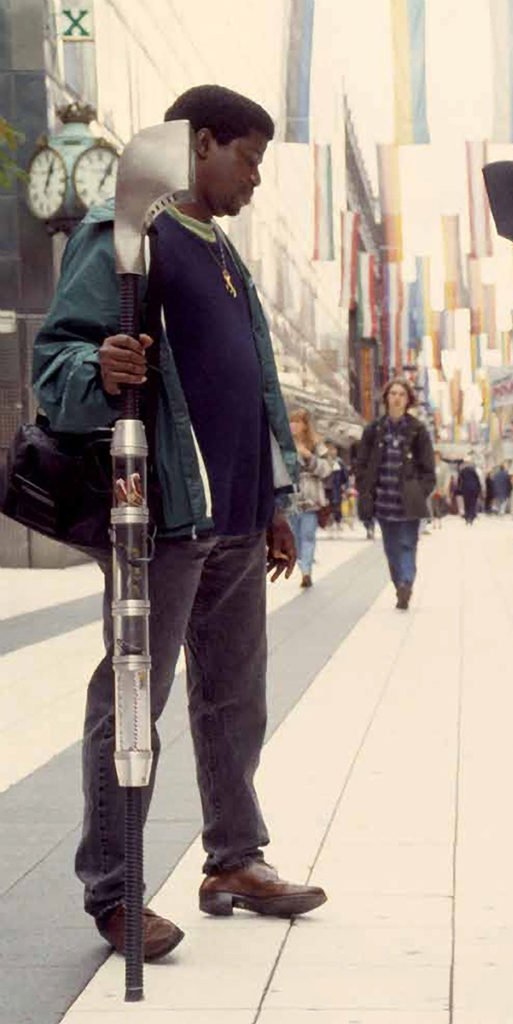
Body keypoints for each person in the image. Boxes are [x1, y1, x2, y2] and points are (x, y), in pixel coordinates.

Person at [32, 85, 328, 962]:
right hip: (159, 512)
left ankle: (235, 859)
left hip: (236, 515)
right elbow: (59, 358)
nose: (256, 180)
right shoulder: (128, 232)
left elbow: (262, 387)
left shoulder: (226, 252)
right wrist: (100, 361)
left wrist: (276, 499)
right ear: (201, 144)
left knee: (236, 699)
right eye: (249, 159)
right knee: (131, 698)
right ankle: (115, 891)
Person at [355, 378, 435, 609]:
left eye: (402, 394)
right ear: (387, 398)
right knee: (391, 548)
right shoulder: (373, 430)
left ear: (408, 400)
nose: (397, 398)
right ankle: (398, 583)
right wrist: (365, 488)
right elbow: (361, 463)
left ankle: (406, 584)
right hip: (383, 502)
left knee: (408, 544)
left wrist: (419, 492)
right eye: (393, 393)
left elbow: (428, 469)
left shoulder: (418, 430)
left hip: (408, 503)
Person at [288, 408, 332, 586]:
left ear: (306, 425)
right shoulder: (285, 444)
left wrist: (309, 457)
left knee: (307, 536)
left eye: (298, 422)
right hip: (291, 500)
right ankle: (302, 566)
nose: (294, 425)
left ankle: (306, 571)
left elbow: (327, 470)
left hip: (311, 500)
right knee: (295, 539)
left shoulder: (316, 445)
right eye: (292, 421)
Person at [323, 442, 348, 536]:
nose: (332, 451)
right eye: (330, 449)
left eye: (334, 449)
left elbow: (344, 475)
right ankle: (329, 525)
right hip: (326, 488)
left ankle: (337, 523)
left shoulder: (339, 462)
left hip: (337, 488)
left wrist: (344, 486)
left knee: (337, 506)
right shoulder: (324, 461)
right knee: (327, 507)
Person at [457, 457, 482, 525]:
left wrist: (459, 489)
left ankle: (467, 517)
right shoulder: (475, 470)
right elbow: (478, 480)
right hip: (474, 489)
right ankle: (471, 517)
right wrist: (479, 489)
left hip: (465, 488)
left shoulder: (462, 471)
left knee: (466, 503)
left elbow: (459, 480)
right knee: (473, 503)